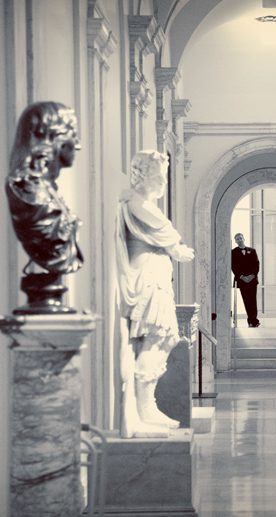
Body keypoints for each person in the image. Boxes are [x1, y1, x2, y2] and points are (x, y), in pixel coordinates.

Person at [116, 150, 195, 438]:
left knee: (166, 337)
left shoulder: (140, 202)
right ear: (144, 176)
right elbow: (170, 239)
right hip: (148, 277)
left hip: (154, 275)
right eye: (160, 177)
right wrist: (178, 250)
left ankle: (147, 405)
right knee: (156, 337)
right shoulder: (138, 203)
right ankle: (144, 408)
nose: (164, 183)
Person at [5, 101, 84, 276]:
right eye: (73, 134)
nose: (78, 144)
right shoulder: (29, 190)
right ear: (54, 137)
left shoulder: (48, 189)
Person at [231, 233, 260, 327]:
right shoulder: (233, 252)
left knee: (253, 300)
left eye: (240, 238)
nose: (239, 240)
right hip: (242, 280)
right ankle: (251, 320)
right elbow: (233, 266)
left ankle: (254, 320)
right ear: (235, 241)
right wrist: (242, 276)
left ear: (244, 238)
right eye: (237, 239)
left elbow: (256, 264)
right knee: (246, 300)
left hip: (252, 279)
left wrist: (252, 276)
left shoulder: (252, 250)